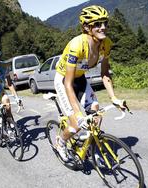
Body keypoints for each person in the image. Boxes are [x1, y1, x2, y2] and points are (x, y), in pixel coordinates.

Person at [54, 5, 126, 161]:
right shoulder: (77, 45)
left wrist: (114, 98)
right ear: (86, 27)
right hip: (63, 80)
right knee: (75, 124)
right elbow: (67, 83)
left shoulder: (106, 44)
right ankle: (60, 142)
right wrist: (79, 115)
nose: (103, 27)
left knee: (96, 114)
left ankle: (90, 147)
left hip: (79, 79)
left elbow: (105, 74)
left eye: (105, 23)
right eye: (98, 24)